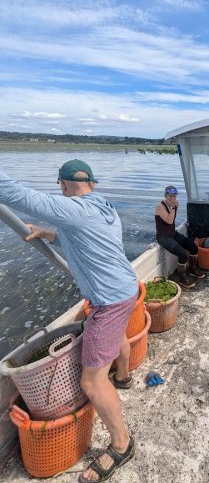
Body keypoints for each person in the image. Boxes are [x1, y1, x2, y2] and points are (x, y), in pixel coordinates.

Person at [0, 159, 137, 483]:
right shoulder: (104, 208)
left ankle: (122, 444)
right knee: (115, 338)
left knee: (91, 382)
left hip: (109, 301)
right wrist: (49, 233)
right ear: (91, 182)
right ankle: (124, 376)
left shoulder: (73, 208)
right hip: (126, 288)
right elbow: (85, 235)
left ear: (62, 185)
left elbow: (16, 194)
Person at [155, 185, 205, 289]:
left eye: (174, 196)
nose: (172, 198)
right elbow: (169, 220)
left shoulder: (174, 204)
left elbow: (172, 221)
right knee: (183, 254)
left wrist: (174, 207)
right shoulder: (160, 207)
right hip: (163, 237)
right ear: (165, 195)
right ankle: (182, 279)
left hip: (172, 233)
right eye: (169, 196)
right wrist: (173, 207)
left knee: (193, 247)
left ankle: (192, 269)